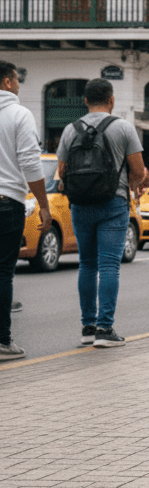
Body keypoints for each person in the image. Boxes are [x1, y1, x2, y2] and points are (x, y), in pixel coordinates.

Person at [56, 77, 145, 348]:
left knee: (87, 263)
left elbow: (61, 172)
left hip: (80, 204)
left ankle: (88, 327)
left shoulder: (70, 130)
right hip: (113, 203)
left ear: (85, 101)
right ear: (111, 100)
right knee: (108, 265)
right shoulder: (123, 128)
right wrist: (133, 183)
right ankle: (105, 330)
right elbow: (139, 172)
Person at [0, 62, 52, 360]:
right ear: (7, 82)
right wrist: (43, 205)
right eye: (17, 79)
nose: (18, 84)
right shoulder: (19, 114)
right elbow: (31, 165)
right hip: (6, 201)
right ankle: (3, 341)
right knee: (3, 272)